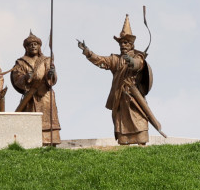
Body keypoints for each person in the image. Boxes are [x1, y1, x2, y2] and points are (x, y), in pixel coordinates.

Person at [78, 14, 159, 146]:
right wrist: (88, 52)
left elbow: (139, 64)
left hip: (134, 95)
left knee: (140, 117)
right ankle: (124, 142)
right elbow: (101, 61)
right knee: (122, 121)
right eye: (121, 43)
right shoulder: (115, 59)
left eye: (126, 42)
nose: (123, 45)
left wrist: (131, 61)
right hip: (121, 97)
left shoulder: (138, 56)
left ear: (132, 45)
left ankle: (142, 143)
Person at [10, 32, 60, 146]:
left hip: (45, 95)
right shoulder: (21, 62)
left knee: (48, 119)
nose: (33, 46)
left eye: (35, 44)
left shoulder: (47, 60)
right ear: (26, 47)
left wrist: (51, 74)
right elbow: (17, 78)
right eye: (30, 44)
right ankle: (32, 142)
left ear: (39, 46)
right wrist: (26, 77)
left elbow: (52, 79)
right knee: (32, 120)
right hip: (31, 95)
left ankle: (51, 142)